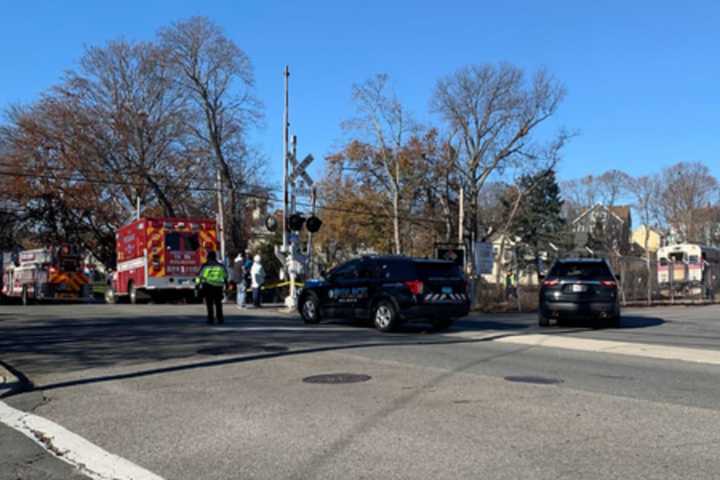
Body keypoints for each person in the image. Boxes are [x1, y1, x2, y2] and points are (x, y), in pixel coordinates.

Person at [196, 250, 228, 325]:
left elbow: (199, 276)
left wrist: (197, 285)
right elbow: (225, 276)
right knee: (218, 303)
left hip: (208, 286)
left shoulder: (205, 265)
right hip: (218, 287)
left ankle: (210, 319)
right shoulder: (220, 266)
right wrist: (226, 284)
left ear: (208, 257)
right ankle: (220, 319)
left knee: (209, 304)